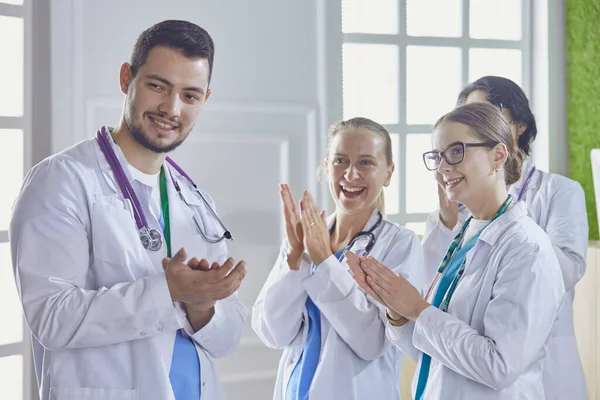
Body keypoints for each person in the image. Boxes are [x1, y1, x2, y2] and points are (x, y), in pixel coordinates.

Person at [9, 20, 247, 400]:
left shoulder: (194, 199)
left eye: (190, 95)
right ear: (126, 78)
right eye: (158, 86)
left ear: (205, 99)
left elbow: (226, 339)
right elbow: (51, 318)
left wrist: (202, 308)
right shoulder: (62, 181)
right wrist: (167, 290)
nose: (171, 108)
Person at [349, 102, 565, 399]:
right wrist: (397, 311)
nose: (442, 168)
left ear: (498, 155)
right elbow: (433, 352)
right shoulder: (466, 235)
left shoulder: (527, 249)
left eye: (455, 152)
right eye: (437, 157)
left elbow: (499, 366)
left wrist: (418, 309)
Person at [421, 76, 588, 399]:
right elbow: (432, 280)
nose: (475, 120)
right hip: (463, 363)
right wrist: (450, 221)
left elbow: (566, 269)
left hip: (542, 354)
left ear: (519, 125)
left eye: (485, 111)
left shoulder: (558, 192)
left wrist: (501, 214)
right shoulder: (458, 197)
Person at [252, 117, 426, 399]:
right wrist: (296, 263)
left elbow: (372, 343)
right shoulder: (305, 239)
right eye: (340, 161)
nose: (351, 174)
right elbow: (272, 333)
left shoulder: (400, 245)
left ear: (389, 173)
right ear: (326, 167)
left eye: (366, 162)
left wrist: (324, 262)